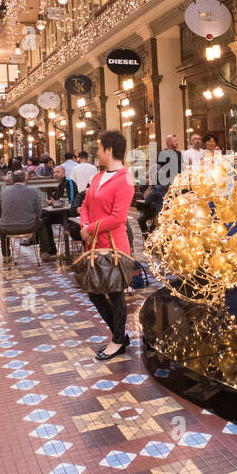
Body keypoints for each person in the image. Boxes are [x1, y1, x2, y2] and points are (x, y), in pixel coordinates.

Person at [79, 130, 135, 361]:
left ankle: (118, 340)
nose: (97, 152)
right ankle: (120, 334)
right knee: (94, 292)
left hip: (113, 246)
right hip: (93, 246)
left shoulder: (125, 179)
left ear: (109, 150)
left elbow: (118, 217)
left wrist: (90, 229)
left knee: (115, 292)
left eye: (100, 149)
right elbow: (85, 204)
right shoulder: (97, 176)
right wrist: (84, 226)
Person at [0, 170, 53, 262]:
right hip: (29, 226)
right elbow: (39, 212)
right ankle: (44, 253)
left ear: (13, 180)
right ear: (25, 179)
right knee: (42, 225)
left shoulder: (4, 192)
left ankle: (6, 255)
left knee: (2, 230)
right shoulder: (32, 191)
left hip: (7, 228)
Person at [139, 134, 182, 236]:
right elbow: (156, 168)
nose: (176, 142)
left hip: (175, 185)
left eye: (177, 140)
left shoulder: (179, 154)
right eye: (174, 140)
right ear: (168, 142)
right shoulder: (162, 154)